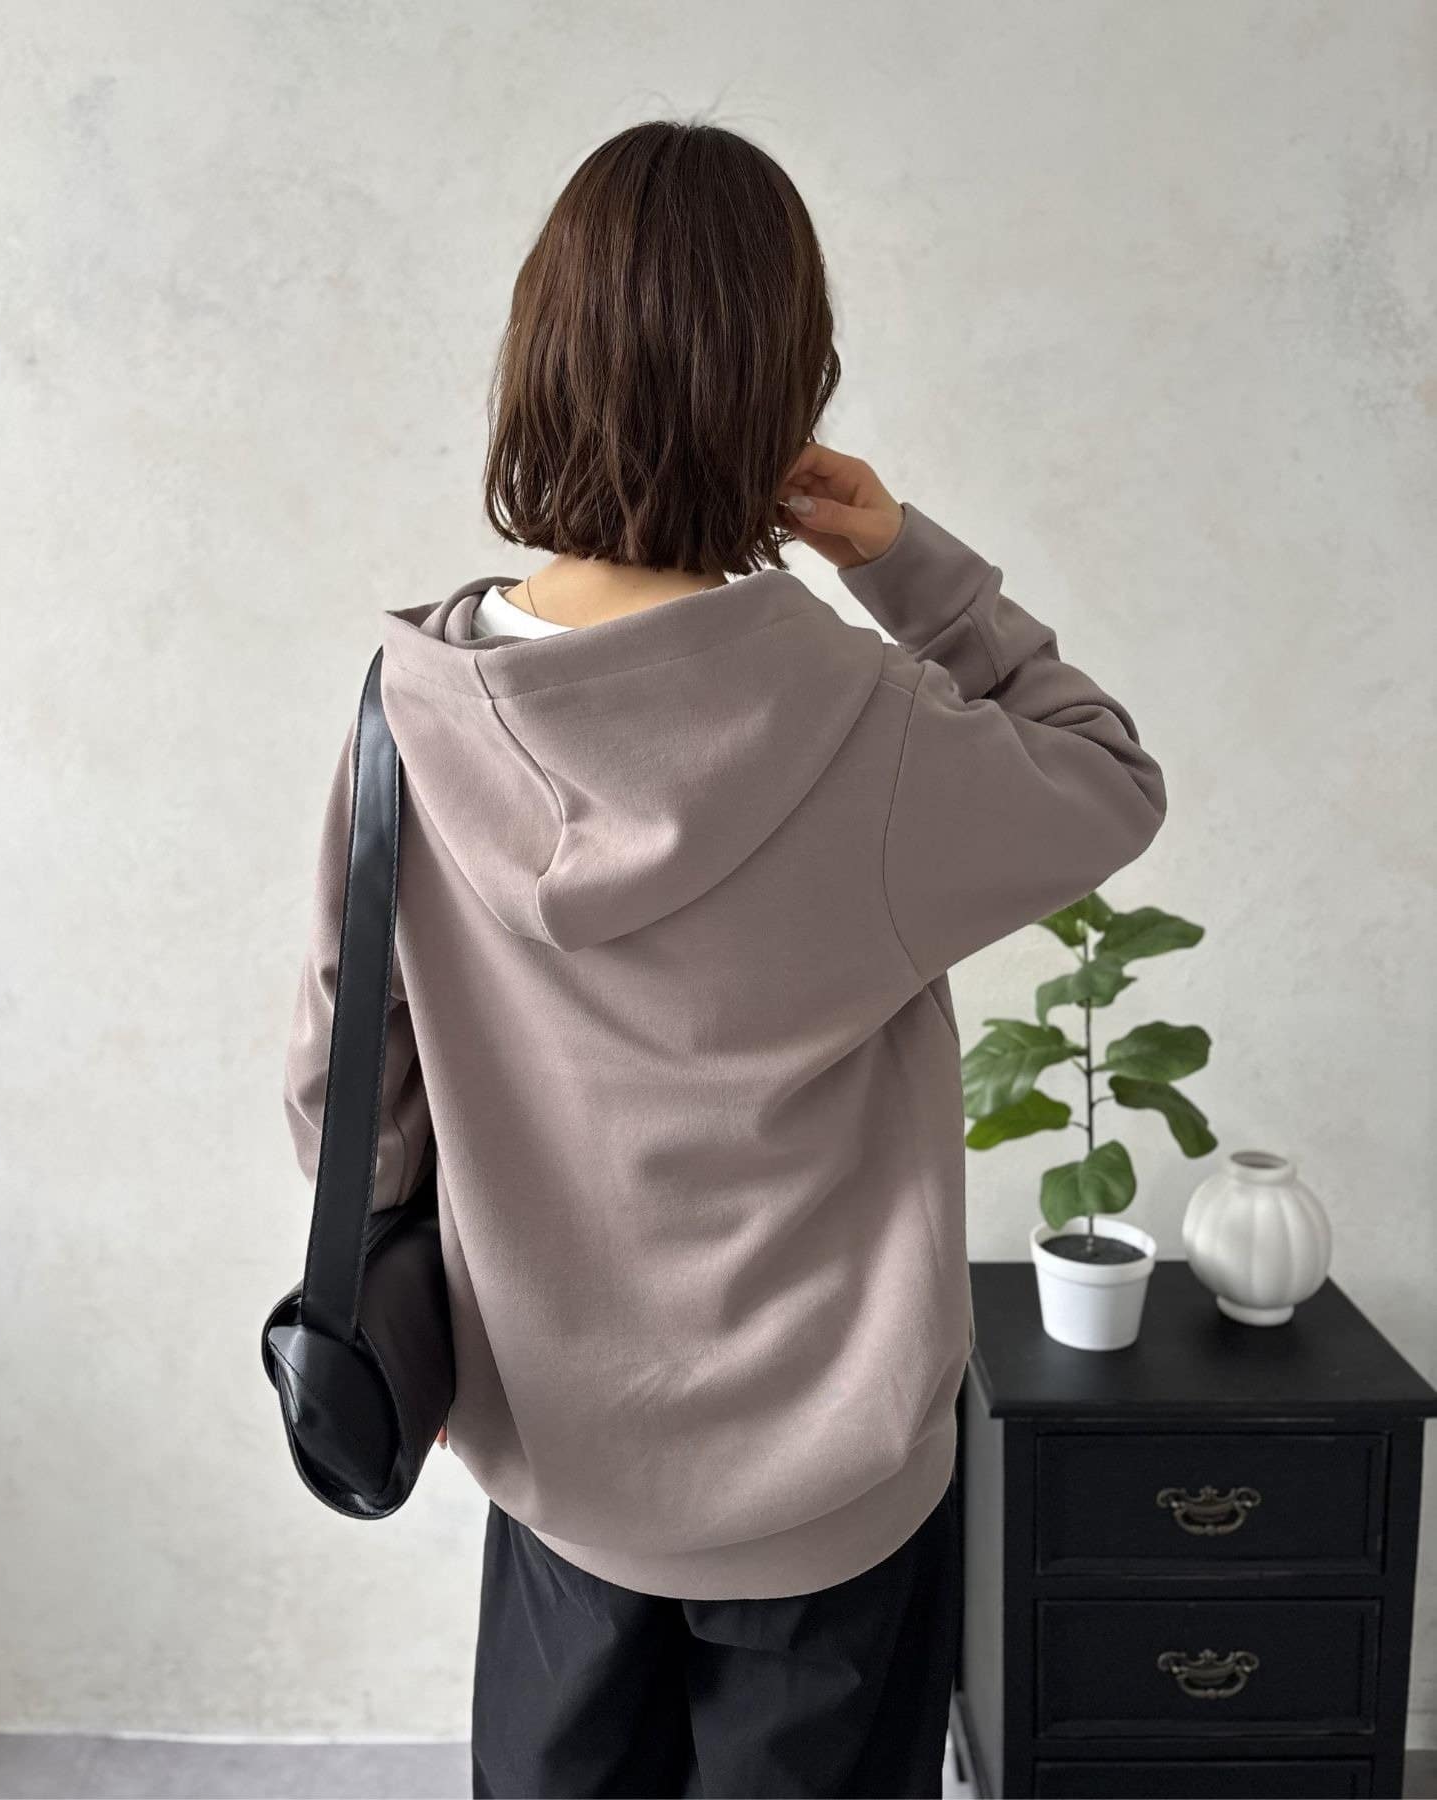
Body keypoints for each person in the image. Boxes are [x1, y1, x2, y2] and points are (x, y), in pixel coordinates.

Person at [282, 117, 1167, 1799]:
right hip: (833, 1496)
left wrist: (449, 1288)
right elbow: (1110, 778)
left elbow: (344, 1095)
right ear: (787, 389)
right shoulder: (870, 721)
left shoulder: (411, 711)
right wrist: (906, 561)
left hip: (557, 1462)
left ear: (540, 363)